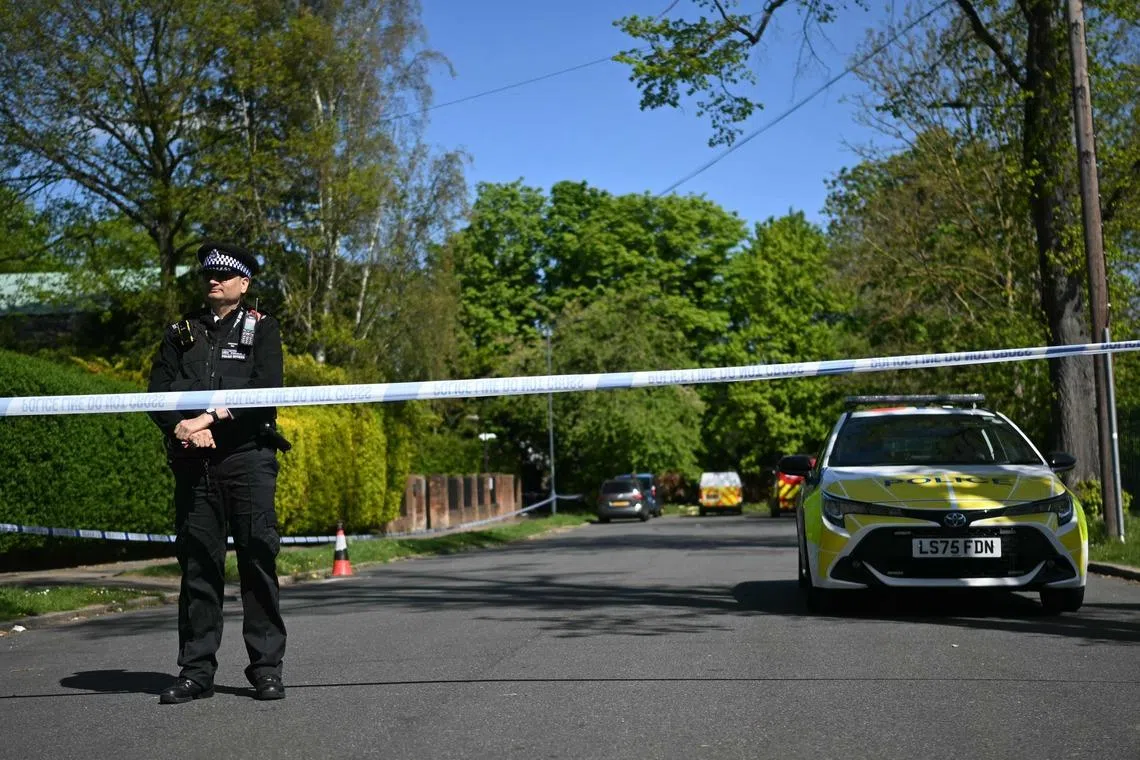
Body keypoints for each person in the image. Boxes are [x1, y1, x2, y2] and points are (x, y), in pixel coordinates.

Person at [147, 241, 288, 704]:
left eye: (224, 276)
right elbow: (157, 391)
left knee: (257, 563)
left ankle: (266, 668)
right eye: (208, 274)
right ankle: (196, 672)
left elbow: (265, 392)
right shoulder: (180, 333)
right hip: (195, 462)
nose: (214, 280)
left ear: (243, 284)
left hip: (247, 459)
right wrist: (184, 428)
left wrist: (209, 420)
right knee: (198, 568)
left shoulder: (262, 329)